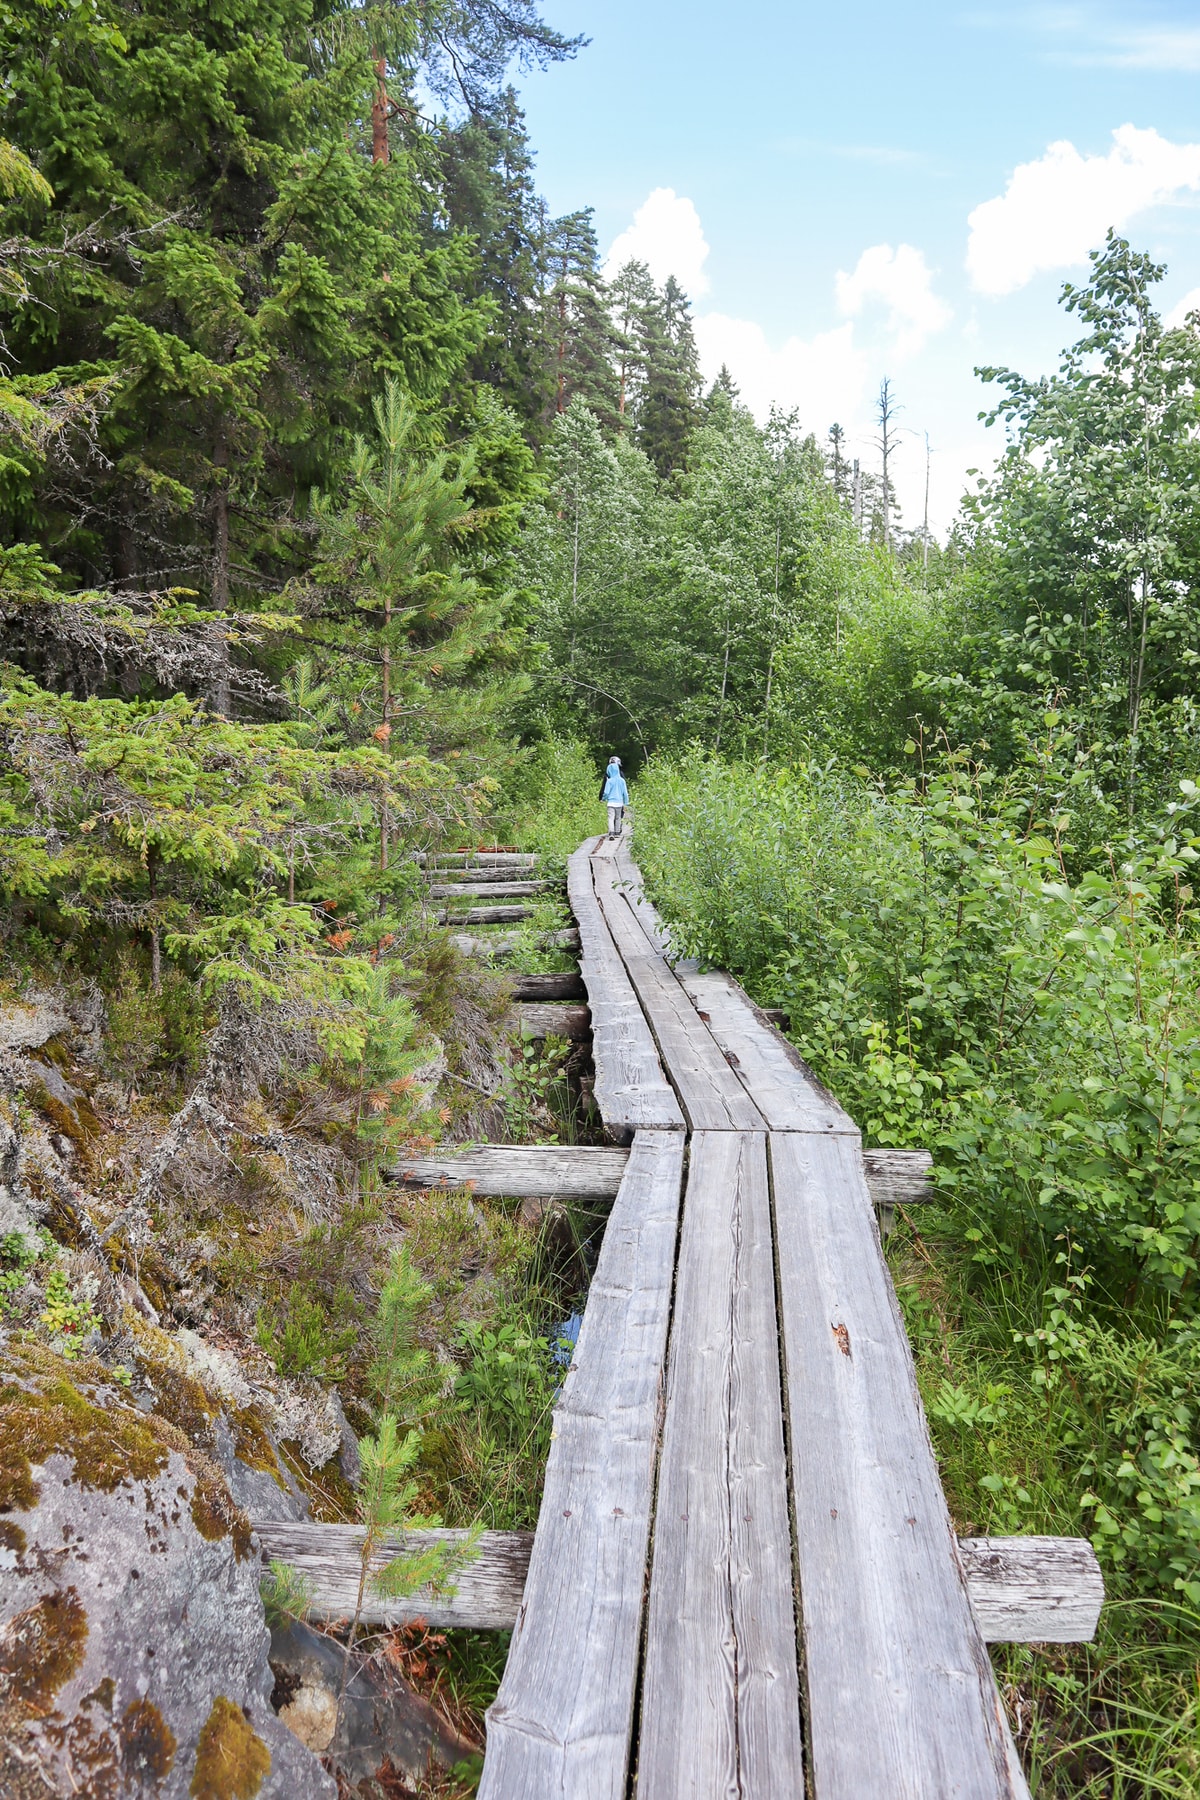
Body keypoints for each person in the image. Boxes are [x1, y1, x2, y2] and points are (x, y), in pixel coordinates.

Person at [600, 755, 628, 838]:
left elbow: (606, 792)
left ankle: (611, 832)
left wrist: (603, 798)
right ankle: (617, 832)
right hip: (619, 803)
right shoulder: (622, 780)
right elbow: (625, 793)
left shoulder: (609, 780)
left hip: (611, 803)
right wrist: (626, 803)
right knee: (618, 817)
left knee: (610, 818)